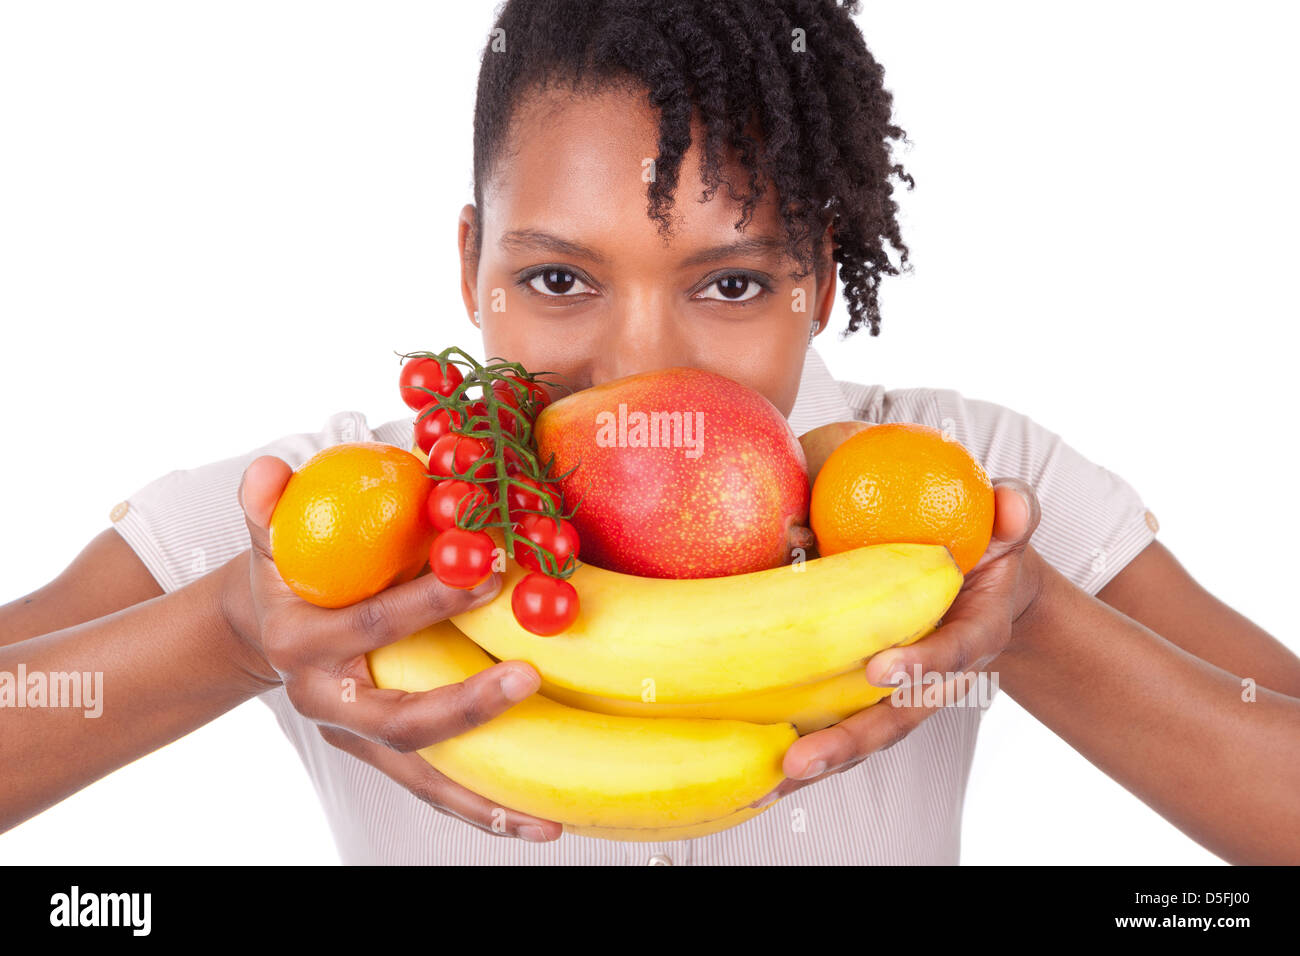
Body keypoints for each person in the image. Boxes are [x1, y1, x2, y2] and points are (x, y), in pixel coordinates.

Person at [4, 0, 1299, 865]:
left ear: (820, 282)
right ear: (472, 268)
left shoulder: (955, 489)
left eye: (732, 284)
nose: (643, 371)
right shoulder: (343, 515)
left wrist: (1029, 626)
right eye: (559, 281)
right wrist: (228, 635)